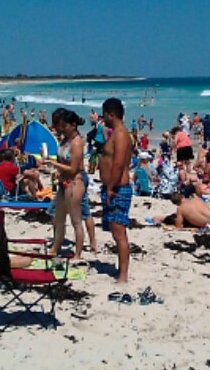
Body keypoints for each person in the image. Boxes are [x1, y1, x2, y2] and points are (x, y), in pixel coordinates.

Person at [44, 110, 93, 259]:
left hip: (75, 181)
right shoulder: (65, 140)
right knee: (58, 218)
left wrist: (52, 163)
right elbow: (63, 161)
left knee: (76, 220)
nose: (62, 129)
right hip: (63, 181)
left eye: (65, 126)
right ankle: (55, 248)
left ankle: (77, 254)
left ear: (73, 125)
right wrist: (56, 167)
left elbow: (73, 168)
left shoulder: (77, 142)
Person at [98, 98, 133, 283]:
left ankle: (123, 276)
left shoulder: (120, 134)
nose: (103, 118)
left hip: (118, 188)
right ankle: (121, 271)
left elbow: (119, 163)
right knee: (115, 232)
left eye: (104, 115)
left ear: (111, 114)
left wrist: (110, 188)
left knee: (119, 234)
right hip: (112, 188)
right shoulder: (115, 133)